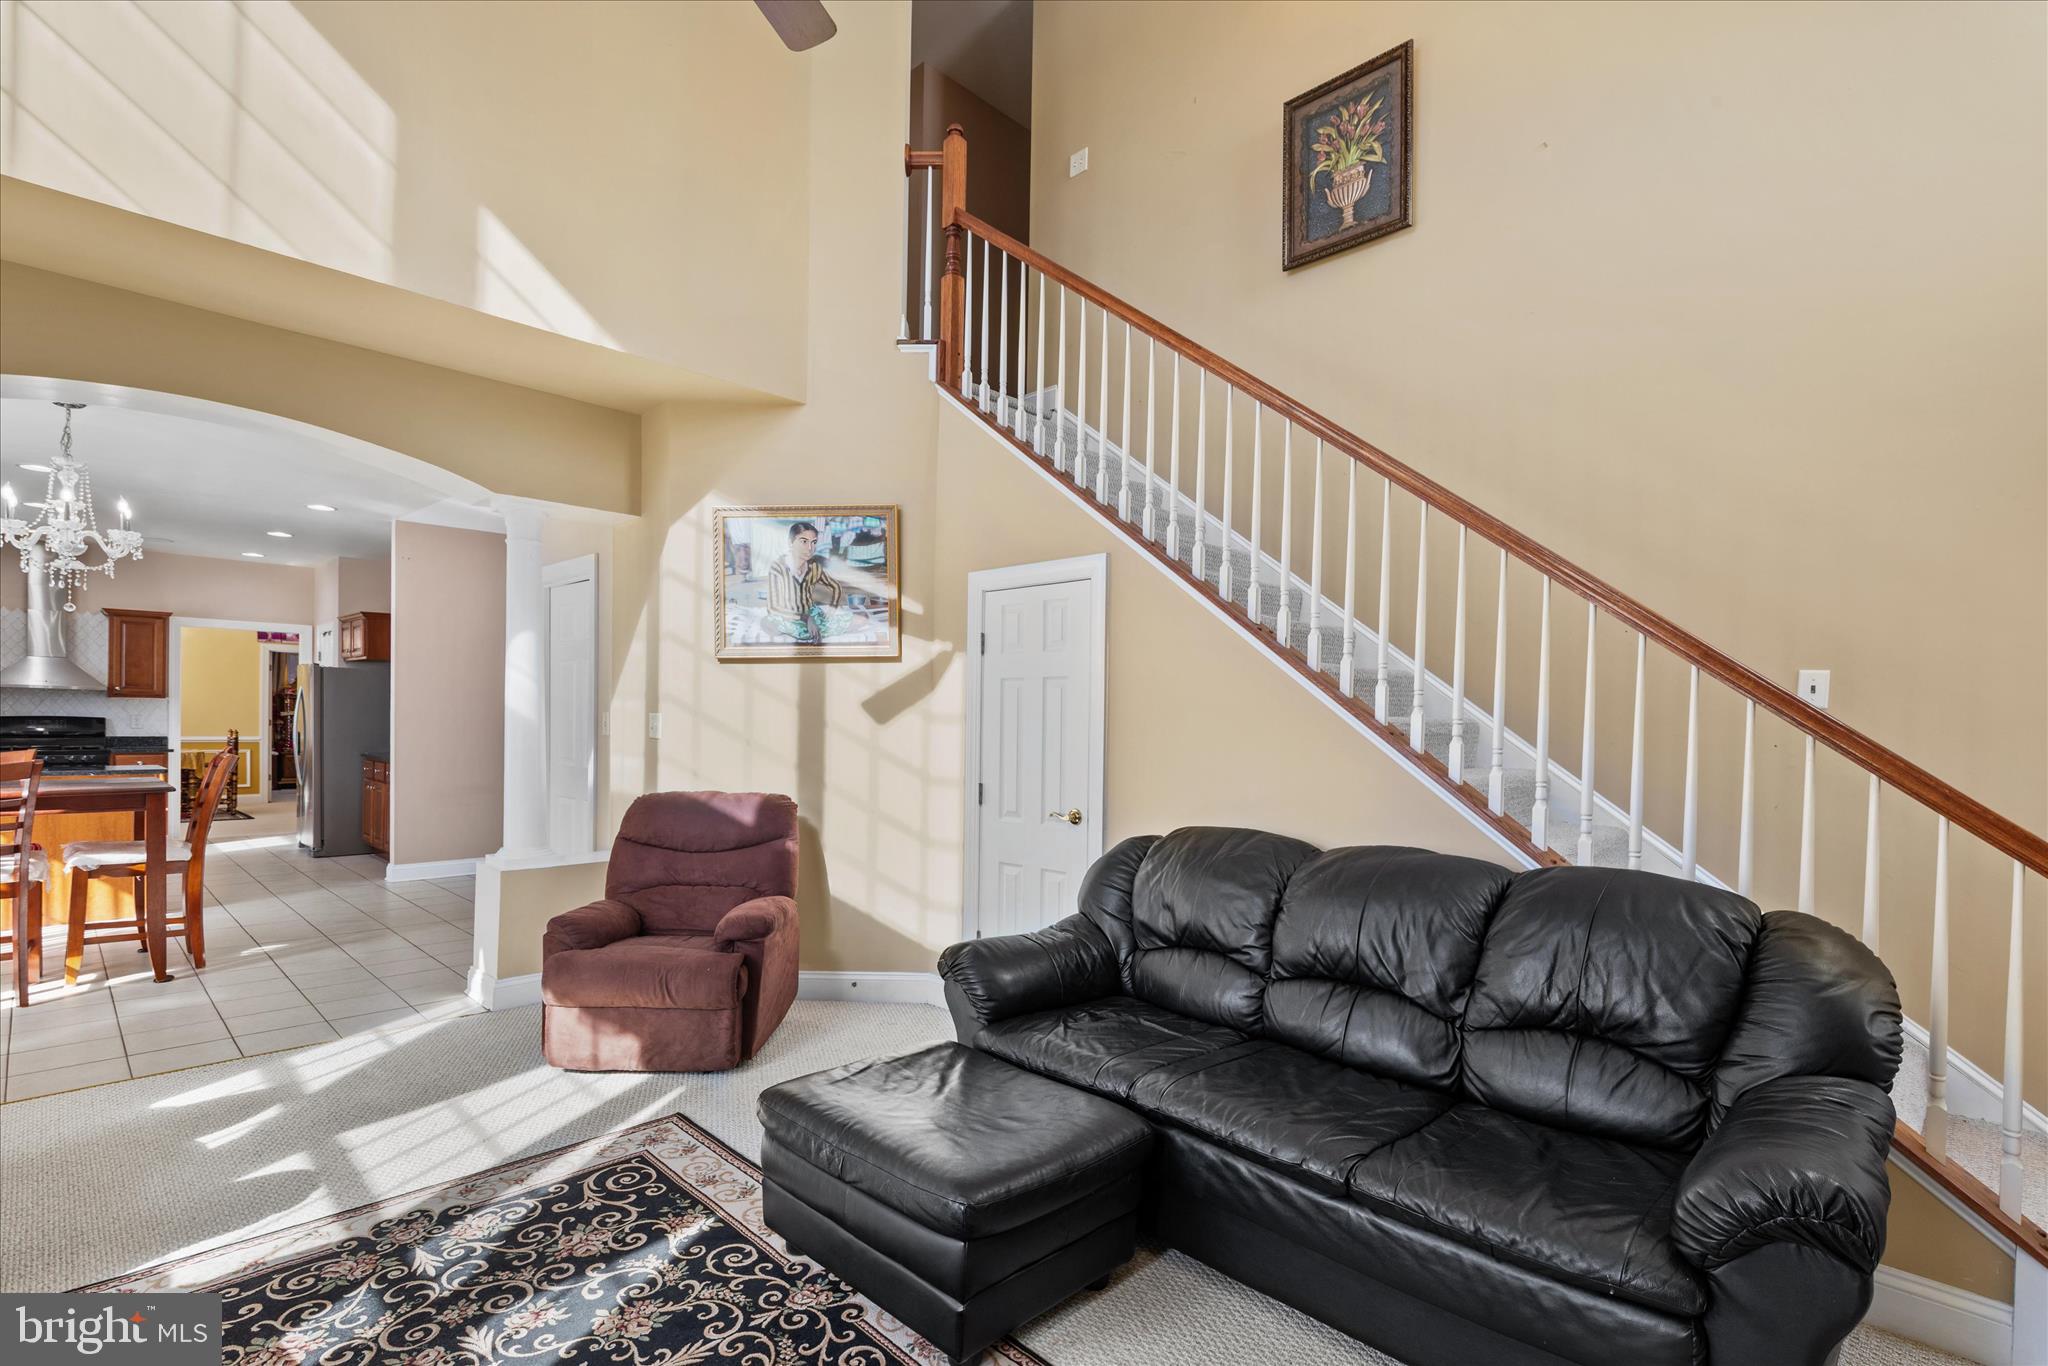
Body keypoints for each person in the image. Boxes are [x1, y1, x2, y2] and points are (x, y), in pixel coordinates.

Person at [764, 520, 849, 642]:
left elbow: (836, 587)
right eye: (804, 541)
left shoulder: (814, 566)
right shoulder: (779, 567)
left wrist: (832, 609)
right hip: (787, 617)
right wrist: (806, 618)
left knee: (859, 621)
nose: (810, 548)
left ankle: (814, 630)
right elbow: (773, 608)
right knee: (771, 625)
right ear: (790, 543)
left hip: (812, 614)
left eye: (814, 542)